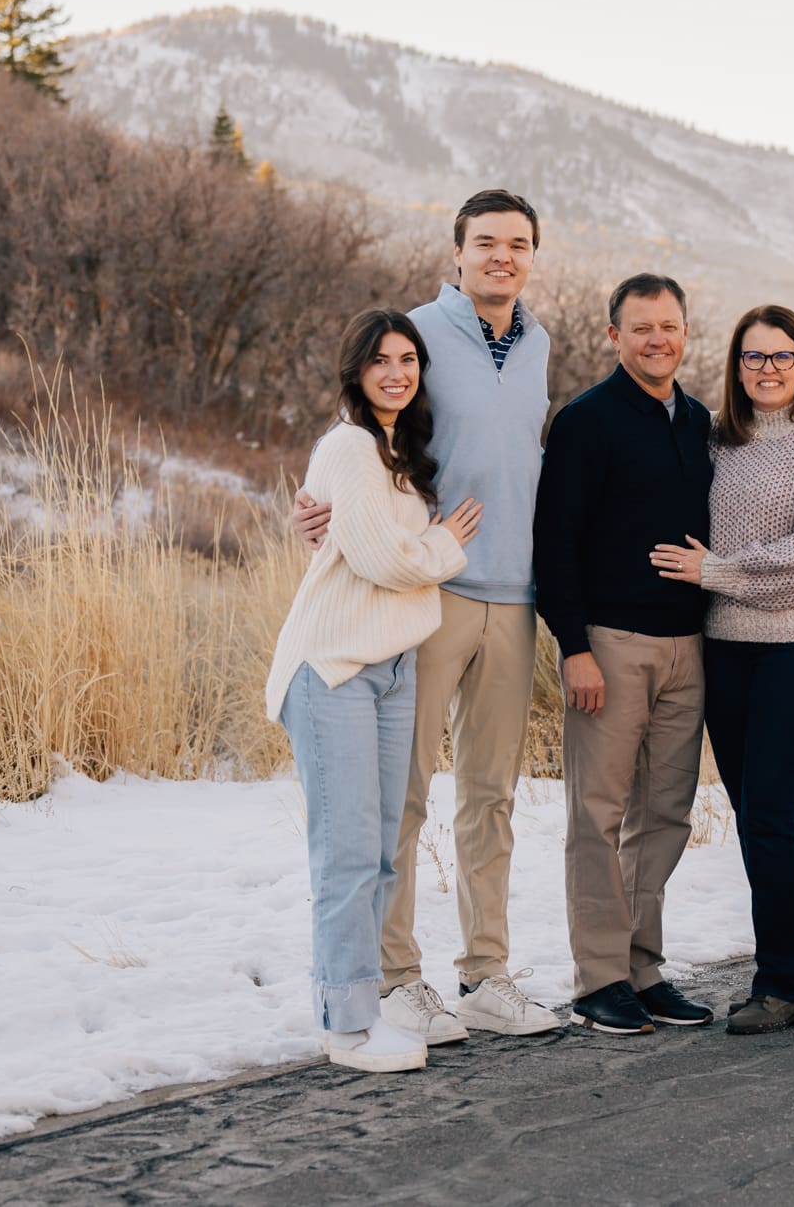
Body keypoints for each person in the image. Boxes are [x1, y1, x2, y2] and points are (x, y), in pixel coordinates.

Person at [292, 189, 559, 1043]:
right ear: (456, 252)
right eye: (485, 243)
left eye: (517, 244)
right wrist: (313, 504)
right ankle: (398, 976)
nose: (501, 257)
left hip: (515, 598)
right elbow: (363, 433)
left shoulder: (540, 342)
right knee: (401, 796)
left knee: (491, 795)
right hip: (429, 594)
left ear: (531, 256)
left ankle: (486, 973)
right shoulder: (416, 331)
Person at [266, 309, 482, 1071]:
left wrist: (409, 544)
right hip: (334, 666)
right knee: (349, 853)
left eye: (408, 359)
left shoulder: (396, 454)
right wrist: (445, 544)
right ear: (356, 369)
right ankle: (346, 1025)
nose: (397, 371)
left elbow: (377, 546)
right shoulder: (350, 443)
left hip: (392, 667)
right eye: (381, 359)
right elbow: (384, 561)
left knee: (385, 851)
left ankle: (366, 1006)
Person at [649, 305, 794, 1035]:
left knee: (771, 812)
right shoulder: (716, 440)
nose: (767, 369)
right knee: (758, 819)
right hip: (727, 646)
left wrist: (716, 571)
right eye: (753, 357)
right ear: (736, 366)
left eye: (782, 355)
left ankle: (778, 980)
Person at [534, 272, 717, 1035]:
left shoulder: (699, 419)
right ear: (614, 335)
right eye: (640, 327)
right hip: (611, 644)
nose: (656, 339)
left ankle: (643, 967)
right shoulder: (586, 420)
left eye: (668, 326)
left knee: (665, 814)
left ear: (684, 331)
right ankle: (598, 977)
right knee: (597, 815)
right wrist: (574, 647)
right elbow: (555, 544)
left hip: (689, 645)